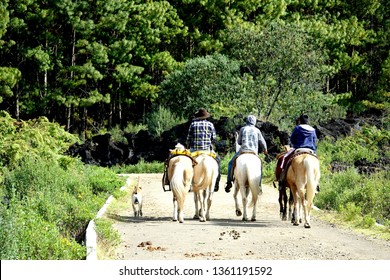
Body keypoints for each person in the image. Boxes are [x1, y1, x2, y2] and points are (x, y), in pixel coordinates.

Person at [225, 115, 268, 193]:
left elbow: (238, 142)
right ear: (254, 122)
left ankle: (229, 182)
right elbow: (263, 142)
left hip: (243, 151)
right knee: (260, 166)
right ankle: (259, 185)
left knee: (231, 163)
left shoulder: (243, 129)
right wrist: (265, 150)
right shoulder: (257, 130)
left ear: (247, 121)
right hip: (253, 152)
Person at [278, 114, 318, 190]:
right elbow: (314, 141)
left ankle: (282, 178)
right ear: (307, 121)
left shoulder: (297, 128)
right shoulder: (313, 130)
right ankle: (316, 184)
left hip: (299, 149)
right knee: (316, 163)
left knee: (285, 158)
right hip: (310, 150)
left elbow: (292, 139)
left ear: (300, 121)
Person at [186, 108, 221, 191]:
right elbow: (214, 138)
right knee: (218, 161)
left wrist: (188, 145)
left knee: (186, 162)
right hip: (207, 150)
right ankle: (216, 183)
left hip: (194, 150)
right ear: (206, 116)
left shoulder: (193, 124)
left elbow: (188, 138)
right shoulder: (210, 124)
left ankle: (188, 182)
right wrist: (210, 143)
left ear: (198, 116)